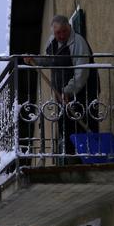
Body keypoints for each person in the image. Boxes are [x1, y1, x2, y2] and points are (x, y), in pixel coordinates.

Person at [22, 14, 100, 155]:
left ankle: (92, 157)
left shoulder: (78, 43)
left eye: (64, 31)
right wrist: (34, 60)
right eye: (58, 33)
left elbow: (81, 72)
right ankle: (71, 160)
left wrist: (69, 91)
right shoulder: (52, 42)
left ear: (69, 27)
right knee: (67, 128)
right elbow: (49, 60)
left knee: (85, 124)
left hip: (84, 92)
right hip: (63, 94)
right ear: (54, 32)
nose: (62, 35)